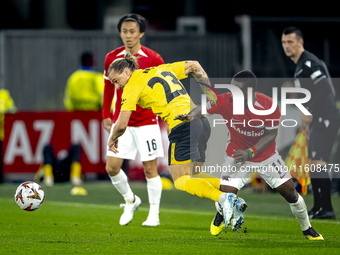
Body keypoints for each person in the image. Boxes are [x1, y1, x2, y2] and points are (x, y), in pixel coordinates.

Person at [106, 52, 238, 232]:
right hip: (202, 122)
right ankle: (231, 193)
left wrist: (112, 138)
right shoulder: (161, 69)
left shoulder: (131, 86)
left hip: (182, 126)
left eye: (116, 80)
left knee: (180, 179)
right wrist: (210, 95)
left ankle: (224, 199)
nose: (116, 85)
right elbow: (194, 65)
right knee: (195, 175)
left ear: (127, 72)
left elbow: (121, 124)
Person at [201, 70, 323, 240]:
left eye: (237, 89)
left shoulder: (269, 105)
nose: (232, 93)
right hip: (236, 156)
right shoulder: (226, 100)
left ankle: (307, 228)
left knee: (290, 193)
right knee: (225, 194)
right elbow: (203, 108)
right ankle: (220, 213)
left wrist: (250, 152)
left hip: (266, 157)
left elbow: (271, 134)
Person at [103, 14, 165, 227]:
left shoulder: (154, 58)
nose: (128, 36)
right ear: (119, 33)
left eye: (132, 31)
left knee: (150, 169)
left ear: (141, 33)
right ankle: (131, 200)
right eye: (124, 31)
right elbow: (108, 88)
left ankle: (154, 214)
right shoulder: (112, 57)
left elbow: (163, 88)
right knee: (111, 167)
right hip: (122, 120)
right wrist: (105, 114)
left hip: (147, 121)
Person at [282, 27, 340, 219]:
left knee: (317, 162)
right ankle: (319, 208)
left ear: (301, 42)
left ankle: (326, 209)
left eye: (290, 42)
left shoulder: (309, 62)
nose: (286, 46)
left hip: (326, 117)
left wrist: (309, 112)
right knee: (314, 164)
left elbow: (324, 88)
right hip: (318, 118)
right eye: (284, 42)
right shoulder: (300, 65)